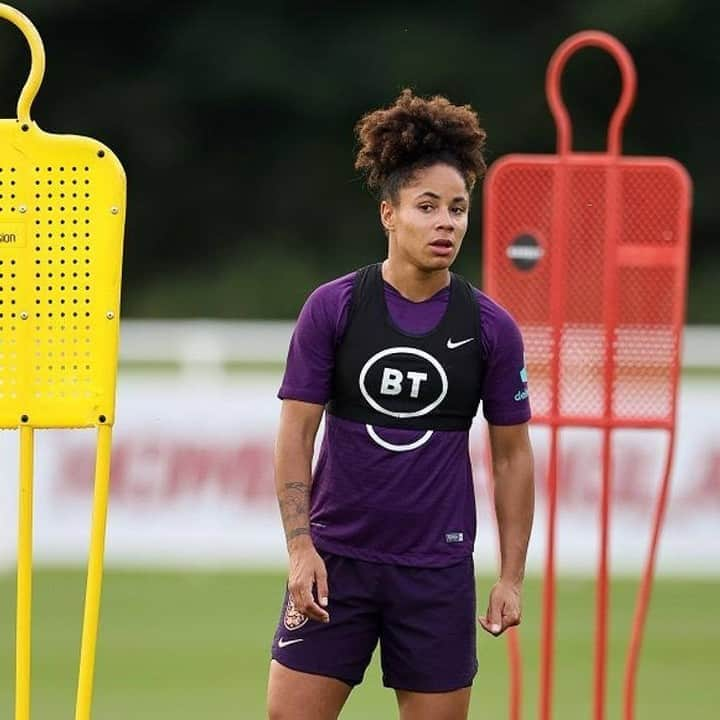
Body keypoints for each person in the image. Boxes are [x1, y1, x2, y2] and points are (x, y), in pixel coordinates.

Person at [266, 88, 534, 720]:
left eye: (459, 209)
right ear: (389, 213)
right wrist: (300, 549)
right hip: (337, 564)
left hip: (436, 572)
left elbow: (513, 458)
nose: (447, 222)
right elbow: (295, 434)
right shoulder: (334, 308)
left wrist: (511, 576)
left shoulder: (491, 328)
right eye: (428, 206)